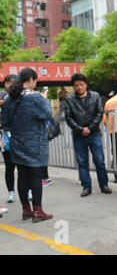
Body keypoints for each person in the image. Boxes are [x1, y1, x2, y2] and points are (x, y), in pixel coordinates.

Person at [1, 68, 53, 222]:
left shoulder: (10, 98)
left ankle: (26, 210)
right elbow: (47, 114)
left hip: (17, 142)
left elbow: (4, 122)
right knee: (36, 175)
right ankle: (38, 210)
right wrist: (44, 99)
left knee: (22, 176)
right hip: (35, 143)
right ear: (30, 80)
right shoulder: (36, 96)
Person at [64, 73, 112, 197]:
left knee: (99, 160)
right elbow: (68, 118)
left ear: (85, 84)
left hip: (94, 133)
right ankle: (86, 187)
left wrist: (89, 128)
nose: (79, 87)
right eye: (76, 85)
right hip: (78, 135)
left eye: (81, 84)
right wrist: (80, 129)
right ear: (73, 87)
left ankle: (104, 185)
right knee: (82, 162)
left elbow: (99, 113)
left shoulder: (95, 96)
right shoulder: (69, 99)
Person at [0, 74, 18, 203]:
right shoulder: (1, 96)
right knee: (9, 166)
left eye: (13, 82)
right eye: (8, 82)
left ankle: (27, 190)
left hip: (20, 134)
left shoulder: (22, 95)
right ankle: (11, 192)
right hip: (5, 135)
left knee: (23, 166)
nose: (10, 85)